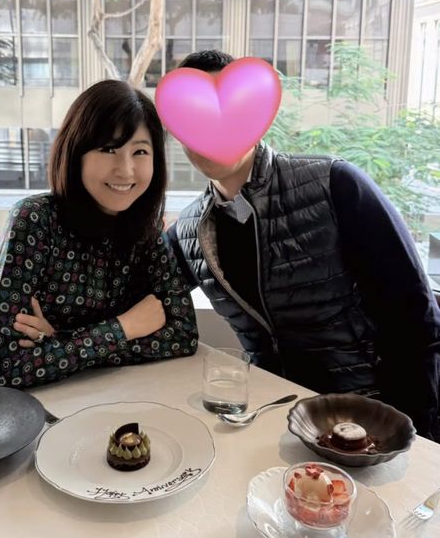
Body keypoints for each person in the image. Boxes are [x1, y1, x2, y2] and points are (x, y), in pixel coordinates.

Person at [167, 50, 440, 440]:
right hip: (271, 418)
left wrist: (412, 435)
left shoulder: (335, 184)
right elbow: (136, 291)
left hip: (367, 415)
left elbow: (415, 318)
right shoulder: (190, 230)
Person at [0, 81, 198, 399]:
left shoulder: (146, 231)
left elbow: (183, 335)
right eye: (108, 149)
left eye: (140, 151)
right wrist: (125, 327)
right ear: (76, 153)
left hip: (70, 395)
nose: (126, 169)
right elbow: (6, 368)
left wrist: (60, 342)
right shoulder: (34, 219)